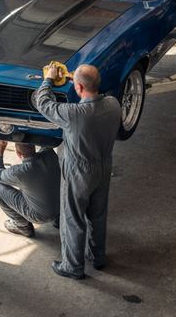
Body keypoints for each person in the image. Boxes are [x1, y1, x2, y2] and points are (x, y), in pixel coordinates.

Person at [34, 63, 121, 280]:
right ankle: (97, 256)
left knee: (72, 217)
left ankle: (72, 266)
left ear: (79, 88)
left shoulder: (75, 114)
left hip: (79, 170)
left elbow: (42, 103)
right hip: (104, 166)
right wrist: (77, 78)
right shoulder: (113, 105)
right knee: (98, 215)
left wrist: (48, 80)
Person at [0, 141, 60, 238]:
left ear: (18, 154)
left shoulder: (19, 171)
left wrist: (0, 150)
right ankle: (59, 219)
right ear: (34, 147)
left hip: (40, 216)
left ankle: (22, 226)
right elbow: (46, 145)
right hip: (63, 207)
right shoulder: (50, 155)